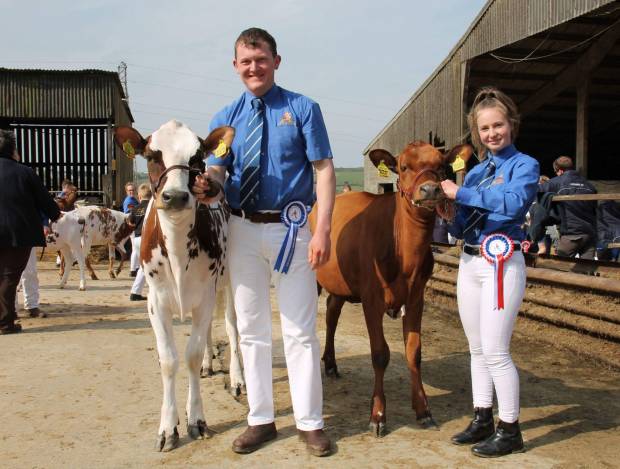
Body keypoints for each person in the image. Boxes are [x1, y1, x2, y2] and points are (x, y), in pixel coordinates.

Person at [193, 27, 335, 457]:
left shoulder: (303, 108)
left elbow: (325, 169)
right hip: (241, 229)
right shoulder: (226, 116)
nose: (254, 67)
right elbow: (219, 170)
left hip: (292, 228)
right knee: (251, 329)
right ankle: (261, 419)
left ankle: (310, 422)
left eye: (261, 59)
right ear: (235, 65)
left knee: (300, 329)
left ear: (276, 60)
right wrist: (210, 185)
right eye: (245, 61)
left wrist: (323, 228)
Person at [440, 87, 539, 458]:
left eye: (498, 125)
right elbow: (465, 217)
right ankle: (482, 415)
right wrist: (448, 212)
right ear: (477, 133)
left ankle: (510, 428)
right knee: (477, 348)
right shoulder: (478, 171)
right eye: (484, 129)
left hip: (502, 262)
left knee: (497, 350)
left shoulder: (525, 166)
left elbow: (513, 204)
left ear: (511, 125)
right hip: (470, 262)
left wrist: (460, 194)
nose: (492, 133)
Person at [0, 129, 61, 334]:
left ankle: (6, 318)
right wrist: (55, 214)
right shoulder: (25, 172)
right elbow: (45, 202)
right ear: (13, 151)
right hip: (19, 234)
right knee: (9, 277)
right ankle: (5, 323)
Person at [538, 156, 597, 259]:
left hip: (571, 234)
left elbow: (537, 190)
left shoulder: (557, 181)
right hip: (589, 234)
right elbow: (594, 209)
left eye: (556, 172)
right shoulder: (590, 186)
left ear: (560, 171)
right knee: (587, 269)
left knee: (561, 267)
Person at [127, 184, 151, 301]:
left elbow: (130, 222)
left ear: (139, 196)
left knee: (143, 266)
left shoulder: (135, 208)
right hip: (147, 238)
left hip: (136, 238)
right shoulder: (152, 207)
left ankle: (135, 292)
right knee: (150, 264)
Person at [122, 181, 139, 276]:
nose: (131, 192)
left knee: (136, 247)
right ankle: (133, 269)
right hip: (133, 227)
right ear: (126, 191)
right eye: (129, 190)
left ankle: (135, 267)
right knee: (136, 248)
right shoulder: (129, 201)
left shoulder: (133, 200)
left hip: (133, 226)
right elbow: (130, 215)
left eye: (132, 190)